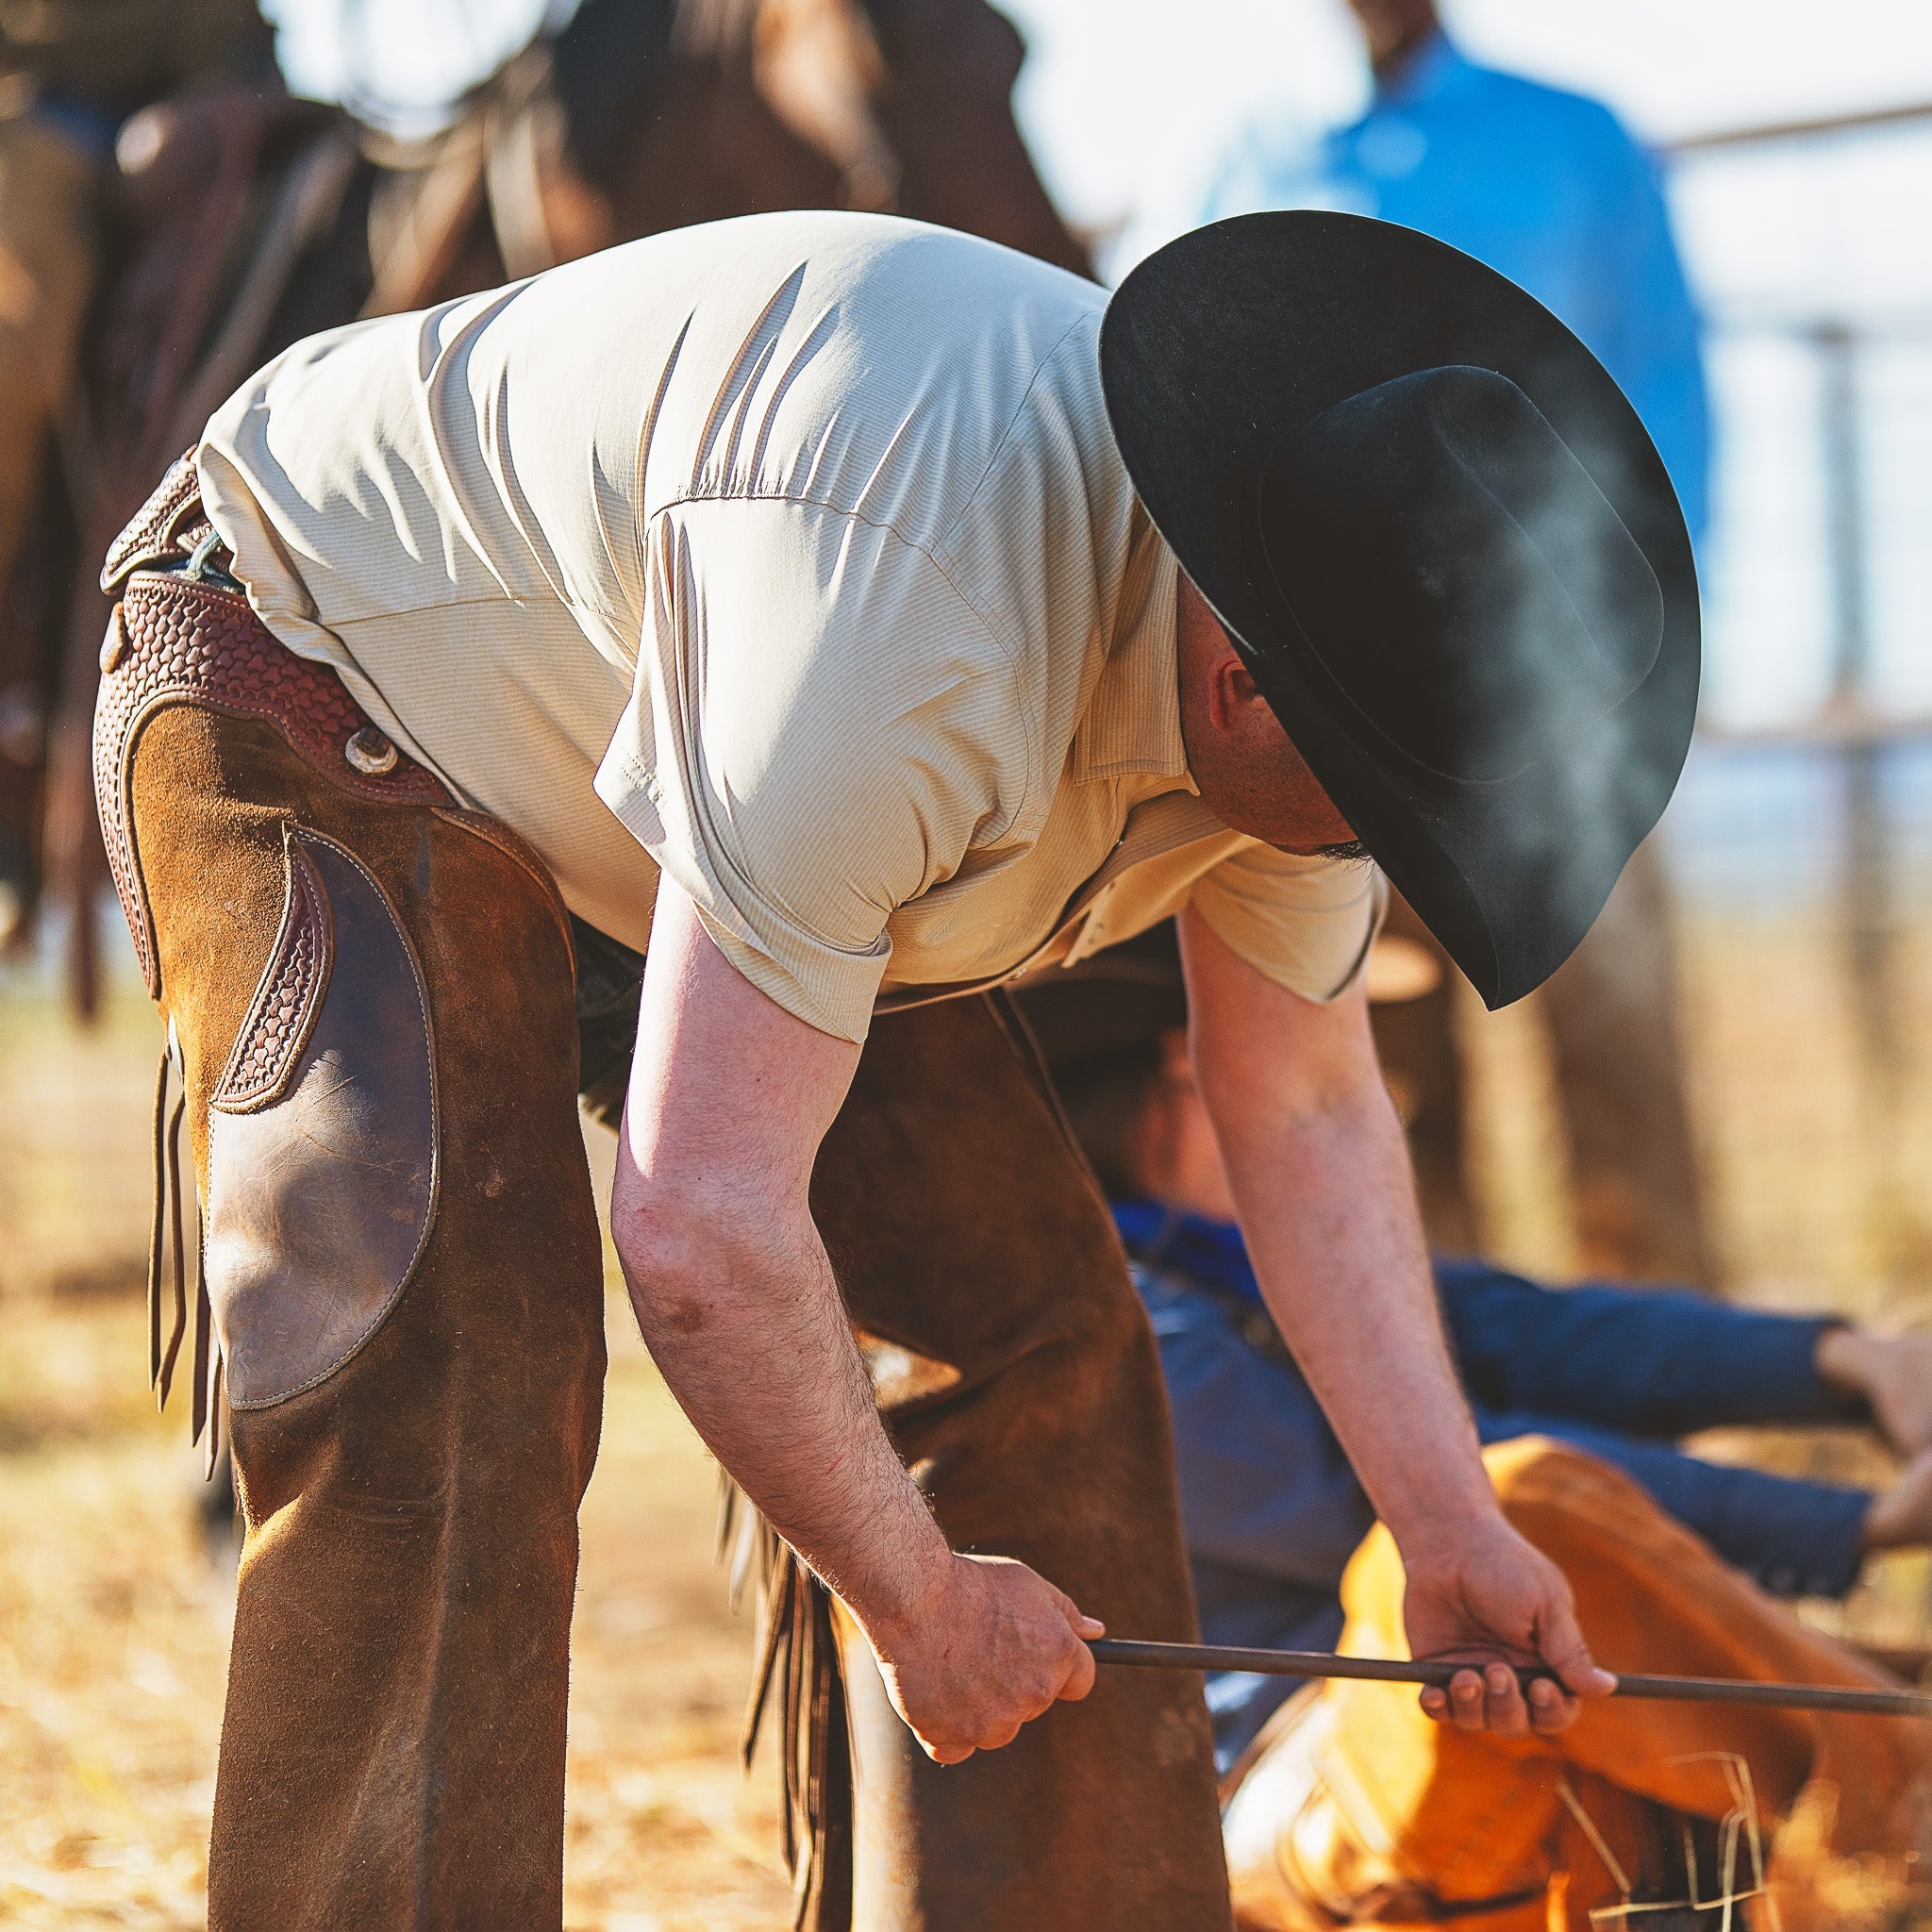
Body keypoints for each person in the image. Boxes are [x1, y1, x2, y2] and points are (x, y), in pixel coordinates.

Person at [94, 205, 1698, 1928]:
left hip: (716, 774)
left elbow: (1302, 1104)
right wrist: (916, 1600)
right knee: (455, 1380)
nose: (1374, 861)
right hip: (331, 664)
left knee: (1034, 1333)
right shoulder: (914, 623)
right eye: (1379, 821)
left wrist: (1444, 1525)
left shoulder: (1316, 628)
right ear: (1241, 687)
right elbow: (703, 1230)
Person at [1037, 988, 1932, 1926]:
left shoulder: (1252, 1266)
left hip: (1479, 1748)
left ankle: (1873, 1805)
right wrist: (1862, 1522)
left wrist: (1850, 1361)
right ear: (1140, 1094)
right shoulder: (1118, 1334)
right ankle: (1907, 1799)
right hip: (1274, 1790)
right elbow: (1403, 1499)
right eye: (1236, 1070)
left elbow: (1544, 1330)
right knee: (1504, 1513)